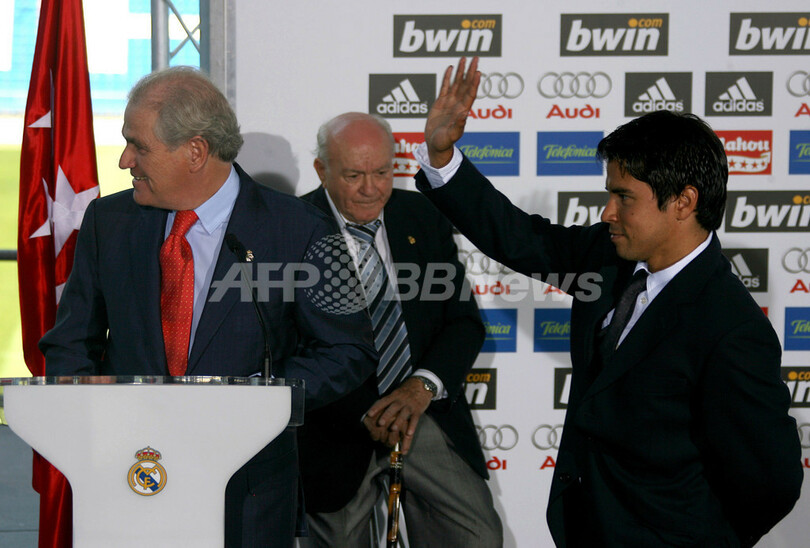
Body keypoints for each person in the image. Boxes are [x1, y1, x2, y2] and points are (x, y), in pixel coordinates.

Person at [412, 58, 803, 547]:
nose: (607, 212)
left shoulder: (730, 327)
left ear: (684, 202)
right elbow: (518, 238)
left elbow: (771, 482)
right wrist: (443, 156)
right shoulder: (607, 258)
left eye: (624, 197)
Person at [39, 67, 377, 547]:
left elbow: (347, 351)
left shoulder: (300, 229)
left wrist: (263, 397)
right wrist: (93, 432)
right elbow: (71, 343)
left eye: (138, 146)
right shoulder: (108, 221)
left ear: (195, 152)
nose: (124, 160)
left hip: (247, 491)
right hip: (129, 478)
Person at [296, 112, 503, 547]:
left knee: (478, 538)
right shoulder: (291, 226)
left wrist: (420, 389)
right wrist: (364, 410)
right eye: (354, 175)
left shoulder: (420, 215)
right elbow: (286, 346)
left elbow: (463, 322)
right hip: (335, 425)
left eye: (382, 172)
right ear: (321, 170)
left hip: (422, 413)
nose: (371, 188)